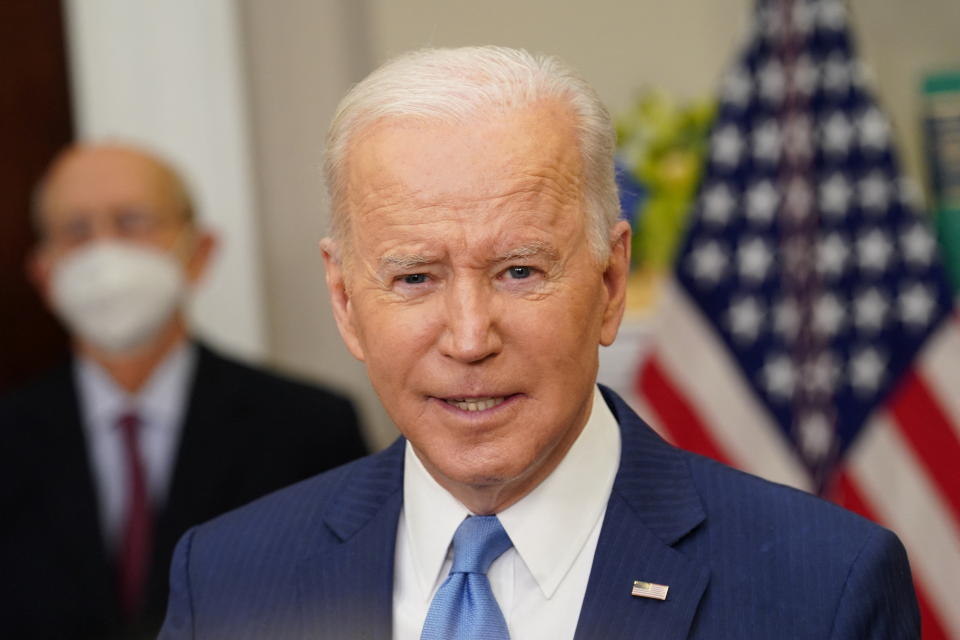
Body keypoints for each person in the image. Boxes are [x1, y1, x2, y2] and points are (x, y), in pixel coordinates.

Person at [158, 47, 919, 639]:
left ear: (610, 283)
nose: (467, 337)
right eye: (416, 278)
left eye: (519, 270)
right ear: (346, 302)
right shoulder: (227, 580)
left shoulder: (821, 585)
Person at [0, 143, 368, 639]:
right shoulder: (9, 438)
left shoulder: (309, 428)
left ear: (199, 252)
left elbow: (351, 610)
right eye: (76, 230)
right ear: (43, 272)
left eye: (131, 222)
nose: (104, 251)